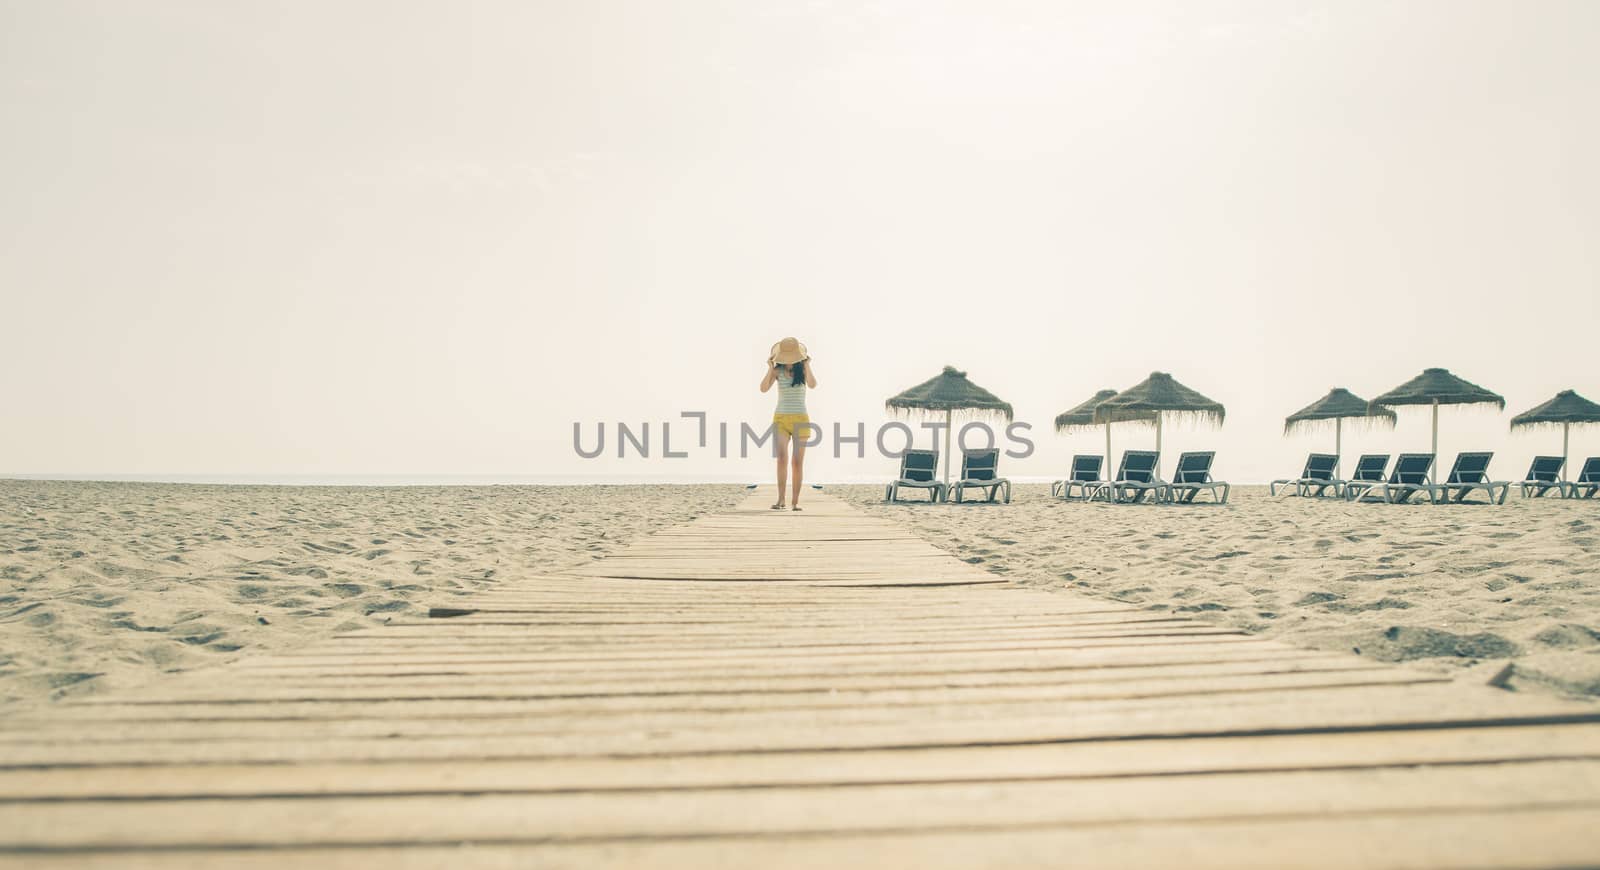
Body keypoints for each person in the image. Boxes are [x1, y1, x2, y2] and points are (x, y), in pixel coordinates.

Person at [760, 336, 817, 510]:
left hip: (801, 419)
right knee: (782, 459)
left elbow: (813, 384)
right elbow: (763, 388)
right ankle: (781, 500)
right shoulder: (777, 371)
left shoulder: (803, 369)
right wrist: (770, 368)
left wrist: (807, 364)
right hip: (781, 419)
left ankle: (795, 502)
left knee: (797, 462)